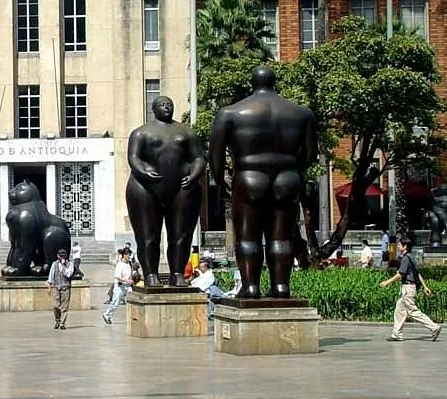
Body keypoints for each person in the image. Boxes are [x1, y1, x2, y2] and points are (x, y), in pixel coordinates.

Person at [208, 66, 316, 299]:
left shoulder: (230, 113)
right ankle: (281, 287)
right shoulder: (301, 113)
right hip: (287, 177)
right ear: (274, 82)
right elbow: (309, 155)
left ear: (252, 83)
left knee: (248, 237)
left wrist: (221, 181)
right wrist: (292, 168)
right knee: (281, 237)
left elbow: (215, 156)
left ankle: (250, 286)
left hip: (249, 176)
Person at [127, 96, 207, 287]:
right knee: (148, 236)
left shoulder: (186, 132)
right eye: (162, 105)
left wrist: (194, 174)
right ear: (153, 109)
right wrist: (143, 170)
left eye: (170, 104)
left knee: (181, 236)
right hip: (145, 187)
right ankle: (150, 274)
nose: (166, 107)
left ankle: (177, 273)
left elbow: (198, 158)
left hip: (181, 186)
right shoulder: (140, 133)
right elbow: (133, 157)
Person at [380, 238, 441, 342]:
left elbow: (400, 274)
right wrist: (425, 286)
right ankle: (396, 334)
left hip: (407, 288)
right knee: (399, 310)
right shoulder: (411, 257)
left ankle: (434, 327)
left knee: (412, 311)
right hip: (409, 287)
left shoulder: (405, 259)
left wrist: (387, 282)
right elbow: (417, 273)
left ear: (405, 247)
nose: (398, 247)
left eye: (400, 245)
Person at [102, 250, 134, 324]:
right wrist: (126, 280)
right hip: (120, 286)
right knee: (115, 302)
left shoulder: (129, 263)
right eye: (128, 255)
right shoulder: (119, 264)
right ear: (124, 255)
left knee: (133, 299)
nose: (129, 256)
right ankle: (107, 315)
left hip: (128, 286)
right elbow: (117, 276)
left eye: (130, 255)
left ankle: (133, 316)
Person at [47, 248, 74, 330]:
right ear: (57, 256)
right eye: (60, 255)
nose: (62, 257)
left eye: (64, 255)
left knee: (64, 306)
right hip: (56, 287)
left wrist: (64, 266)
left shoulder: (70, 264)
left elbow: (69, 274)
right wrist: (49, 286)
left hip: (66, 288)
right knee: (55, 306)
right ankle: (57, 320)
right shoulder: (54, 264)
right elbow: (51, 276)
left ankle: (62, 323)